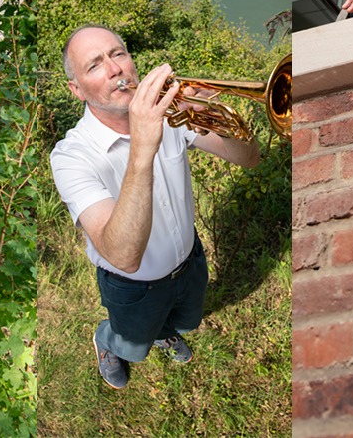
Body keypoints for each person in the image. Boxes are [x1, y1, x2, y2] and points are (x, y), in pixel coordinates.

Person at [49, 25, 260, 390]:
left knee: (186, 321)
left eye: (118, 53)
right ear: (76, 90)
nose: (115, 69)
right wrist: (143, 143)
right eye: (95, 65)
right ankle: (109, 342)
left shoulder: (168, 113)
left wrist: (212, 116)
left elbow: (250, 159)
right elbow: (123, 256)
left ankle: (165, 332)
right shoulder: (70, 156)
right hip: (132, 286)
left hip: (189, 261)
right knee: (133, 344)